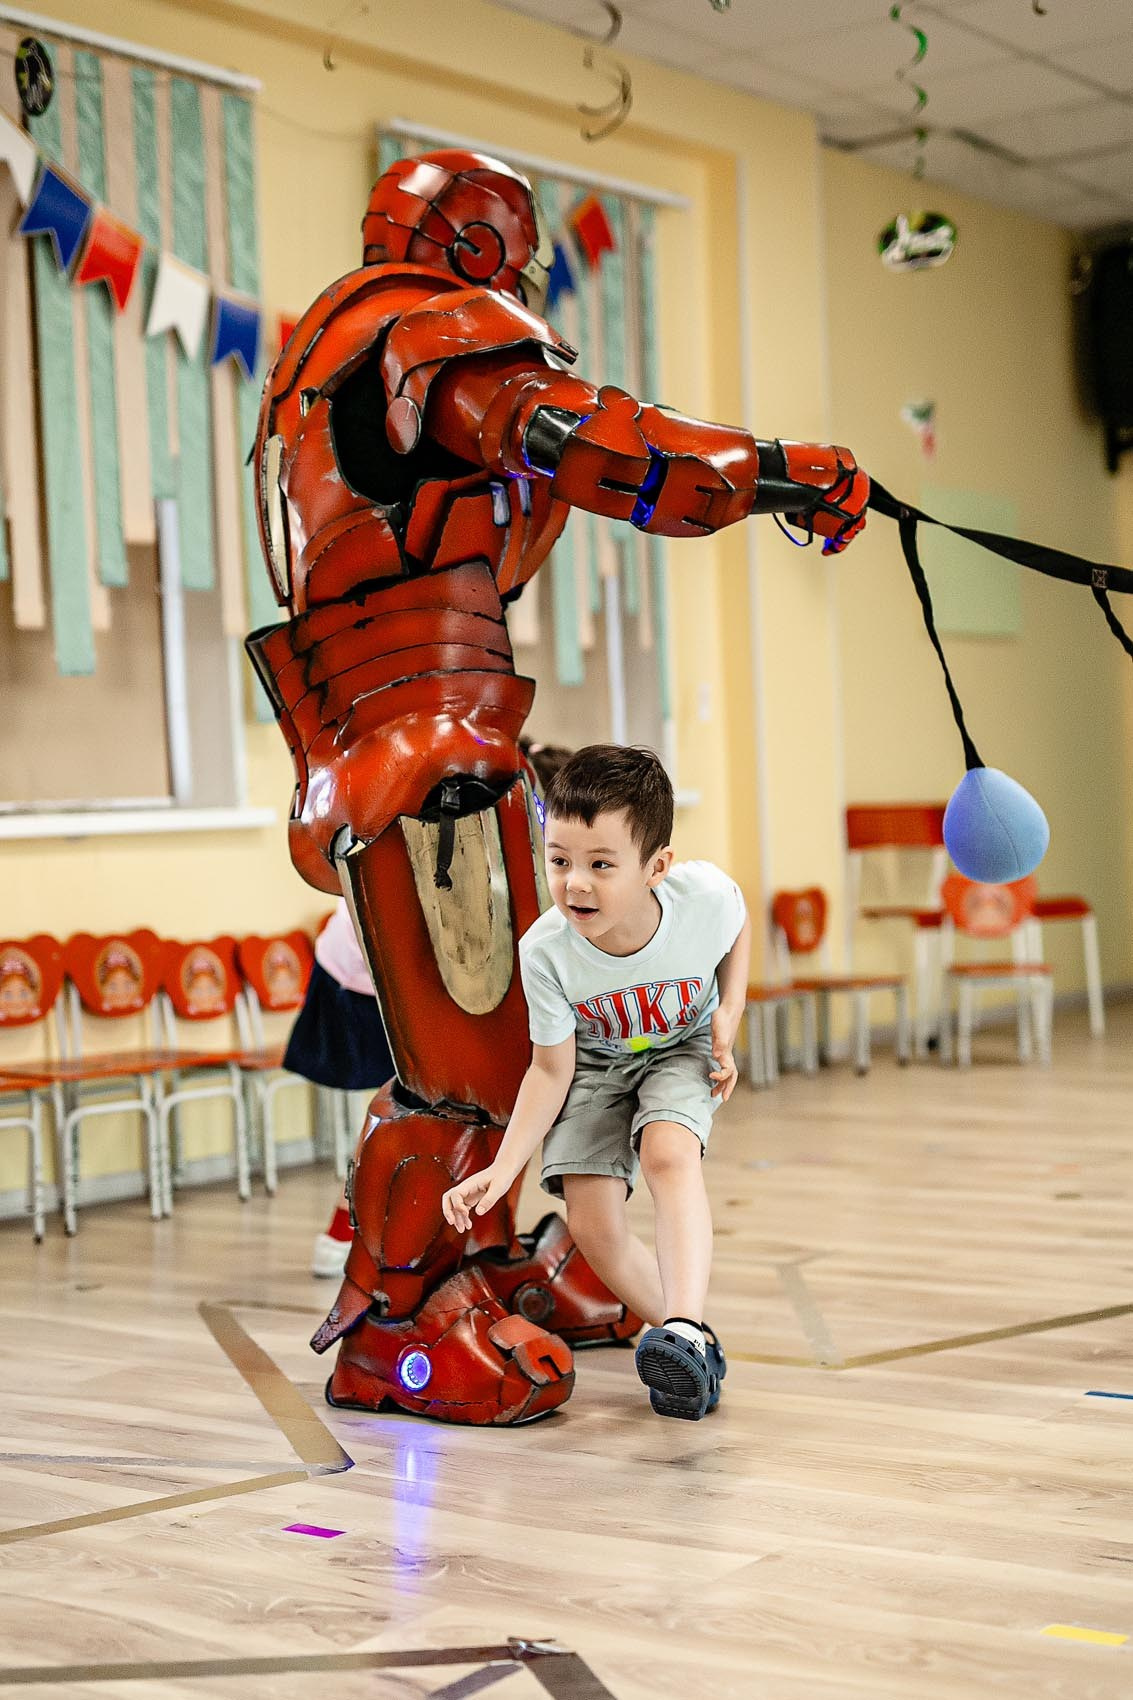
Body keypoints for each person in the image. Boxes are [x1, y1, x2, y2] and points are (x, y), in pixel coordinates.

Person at [441, 744, 751, 1420]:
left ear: (655, 867)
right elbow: (550, 1069)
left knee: (667, 1153)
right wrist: (502, 1169)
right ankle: (690, 1344)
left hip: (681, 1046)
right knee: (590, 1222)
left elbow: (738, 924)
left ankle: (684, 1327)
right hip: (596, 1065)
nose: (575, 884)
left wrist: (728, 1012)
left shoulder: (701, 898)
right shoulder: (545, 952)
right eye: (559, 861)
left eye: (601, 865)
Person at [282, 898, 394, 1277]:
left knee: (405, 1103)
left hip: (383, 962)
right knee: (400, 1103)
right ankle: (343, 1231)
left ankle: (347, 1231)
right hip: (361, 969)